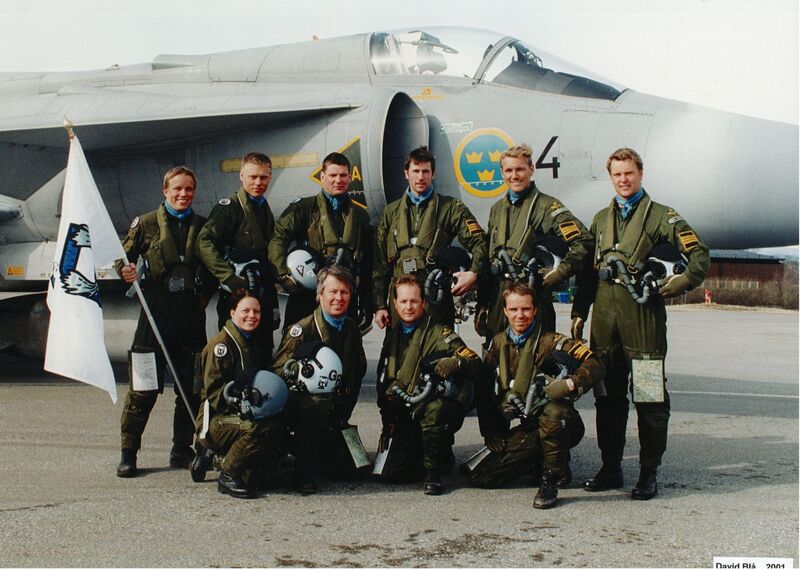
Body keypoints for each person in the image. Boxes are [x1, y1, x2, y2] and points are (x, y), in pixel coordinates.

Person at [577, 147, 709, 500]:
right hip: (604, 323)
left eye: (629, 173)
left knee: (650, 400)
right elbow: (588, 274)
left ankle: (649, 472)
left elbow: (699, 254)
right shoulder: (600, 220)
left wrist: (679, 283)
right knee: (607, 399)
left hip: (644, 324)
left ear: (640, 174)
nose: (623, 180)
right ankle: (611, 467)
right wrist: (579, 313)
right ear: (611, 177)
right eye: (617, 174)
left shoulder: (662, 217)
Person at [465, 282, 605, 509]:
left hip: (562, 423)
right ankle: (543, 459)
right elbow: (484, 389)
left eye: (526, 309)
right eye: (514, 309)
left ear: (535, 310)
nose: (520, 315)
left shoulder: (552, 341)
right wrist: (490, 432)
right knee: (480, 475)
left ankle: (550, 479)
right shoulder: (499, 343)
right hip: (530, 425)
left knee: (554, 412)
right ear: (505, 311)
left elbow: (595, 364)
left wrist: (568, 384)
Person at [115, 166, 210, 477]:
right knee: (142, 389)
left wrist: (205, 294)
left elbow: (213, 265)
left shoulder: (203, 226)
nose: (183, 194)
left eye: (188, 189)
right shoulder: (146, 224)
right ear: (165, 191)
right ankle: (129, 453)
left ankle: (181, 449)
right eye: (177, 189)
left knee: (191, 388)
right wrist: (125, 271)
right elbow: (123, 257)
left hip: (190, 316)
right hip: (155, 314)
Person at [475, 144, 593, 341]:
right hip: (499, 303)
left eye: (520, 169)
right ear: (502, 173)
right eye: (509, 170)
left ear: (531, 169)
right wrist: (482, 304)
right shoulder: (497, 210)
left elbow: (584, 241)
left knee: (537, 355)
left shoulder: (547, 207)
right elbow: (489, 259)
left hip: (533, 300)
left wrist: (560, 272)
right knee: (497, 354)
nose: (515, 176)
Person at [376, 275, 480, 495]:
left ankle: (435, 471)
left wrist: (454, 362)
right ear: (395, 303)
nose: (409, 307)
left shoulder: (439, 332)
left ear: (423, 303)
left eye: (414, 301)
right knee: (393, 474)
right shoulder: (394, 335)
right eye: (403, 301)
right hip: (406, 408)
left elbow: (473, 360)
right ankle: (433, 452)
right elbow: (385, 377)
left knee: (434, 410)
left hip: (434, 406)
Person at [271, 265, 367, 494]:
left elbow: (358, 370)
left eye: (344, 292)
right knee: (316, 403)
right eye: (332, 292)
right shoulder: (301, 331)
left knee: (354, 469)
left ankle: (324, 446)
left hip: (336, 411)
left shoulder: (351, 329)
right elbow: (278, 372)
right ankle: (302, 470)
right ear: (319, 295)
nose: (338, 298)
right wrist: (302, 375)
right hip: (304, 408)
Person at [373, 146, 488, 329]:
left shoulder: (450, 208)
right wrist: (379, 305)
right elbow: (380, 263)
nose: (421, 177)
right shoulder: (391, 213)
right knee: (399, 346)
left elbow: (479, 241)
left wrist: (473, 273)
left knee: (439, 345)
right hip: (400, 298)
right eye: (416, 171)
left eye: (426, 171)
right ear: (406, 173)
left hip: (435, 296)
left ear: (433, 174)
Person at [269, 152, 373, 331]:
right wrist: (284, 275)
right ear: (322, 177)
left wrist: (366, 302)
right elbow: (278, 238)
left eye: (343, 175)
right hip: (305, 295)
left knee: (343, 344)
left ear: (350, 177)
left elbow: (368, 262)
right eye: (333, 175)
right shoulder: (304, 208)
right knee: (298, 342)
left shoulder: (359, 215)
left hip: (342, 297)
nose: (338, 180)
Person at [196, 290, 285, 499]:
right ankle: (228, 475)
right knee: (261, 427)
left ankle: (217, 458)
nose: (251, 316)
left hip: (240, 413)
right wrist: (244, 402)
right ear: (232, 312)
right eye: (245, 311)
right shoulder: (221, 346)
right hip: (216, 419)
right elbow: (215, 395)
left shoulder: (252, 342)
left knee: (268, 474)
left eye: (256, 311)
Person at [196, 152, 280, 356]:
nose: (258, 182)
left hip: (261, 295)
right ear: (241, 175)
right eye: (253, 177)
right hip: (237, 296)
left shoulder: (263, 208)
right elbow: (203, 242)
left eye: (263, 177)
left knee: (262, 353)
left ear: (270, 177)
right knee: (235, 354)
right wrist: (228, 277)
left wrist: (274, 303)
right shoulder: (229, 208)